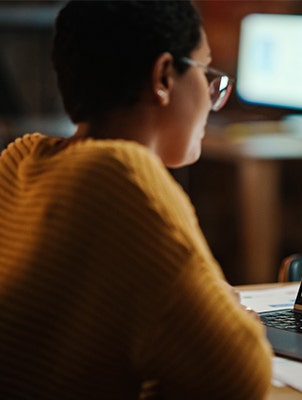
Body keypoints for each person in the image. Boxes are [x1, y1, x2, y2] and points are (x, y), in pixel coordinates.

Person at [0, 1, 272, 399]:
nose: (213, 97)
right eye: (207, 73)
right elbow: (242, 378)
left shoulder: (21, 161)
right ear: (163, 76)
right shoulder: (125, 175)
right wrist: (226, 315)